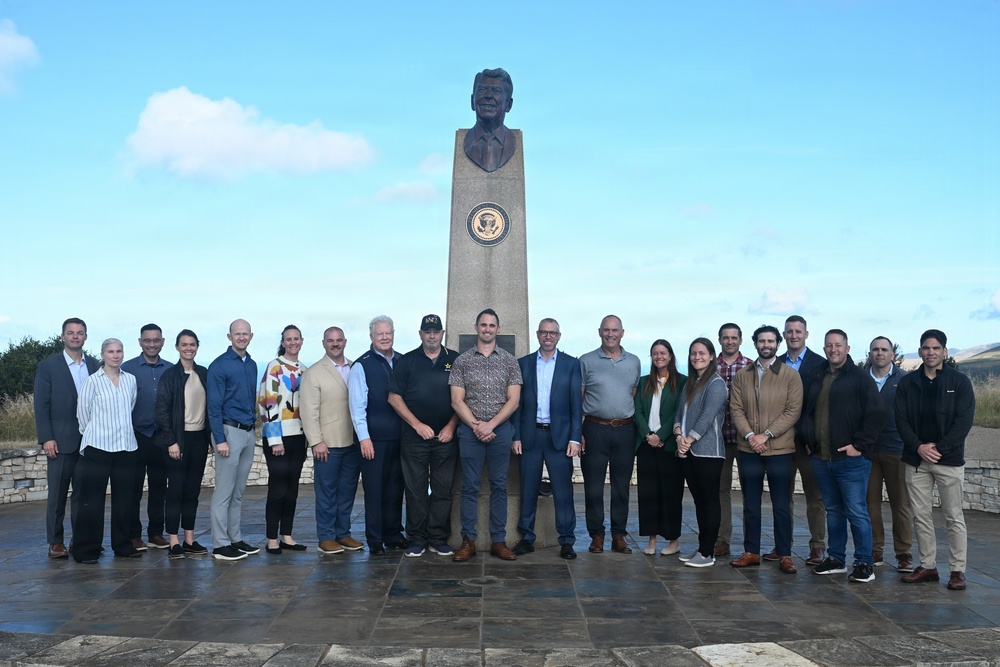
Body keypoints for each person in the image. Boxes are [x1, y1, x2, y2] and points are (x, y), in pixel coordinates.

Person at [799, 329, 885, 583]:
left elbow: (877, 414)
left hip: (851, 460)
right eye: (829, 345)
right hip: (821, 457)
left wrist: (859, 445)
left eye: (838, 345)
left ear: (847, 348)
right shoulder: (816, 375)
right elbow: (806, 411)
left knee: (856, 511)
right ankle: (836, 558)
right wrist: (807, 440)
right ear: (824, 348)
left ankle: (864, 563)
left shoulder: (859, 377)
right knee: (834, 511)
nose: (833, 349)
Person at [898, 329, 975, 591]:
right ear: (920, 351)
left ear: (944, 351)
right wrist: (919, 447)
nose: (931, 352)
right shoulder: (908, 383)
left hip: (949, 460)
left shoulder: (960, 382)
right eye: (926, 348)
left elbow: (963, 422)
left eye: (936, 348)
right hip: (916, 459)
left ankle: (957, 570)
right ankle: (928, 566)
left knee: (953, 516)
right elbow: (901, 420)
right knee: (921, 515)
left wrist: (939, 448)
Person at [449, 308, 523, 561]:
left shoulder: (509, 361)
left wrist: (491, 425)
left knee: (499, 486)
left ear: (498, 329)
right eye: (483, 325)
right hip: (470, 433)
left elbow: (513, 400)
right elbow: (457, 401)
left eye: (492, 325)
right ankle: (468, 540)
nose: (487, 329)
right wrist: (477, 426)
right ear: (476, 327)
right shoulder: (463, 361)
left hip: (500, 432)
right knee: (469, 487)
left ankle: (498, 541)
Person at [728, 326, 803, 575]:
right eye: (762, 341)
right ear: (755, 344)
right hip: (748, 449)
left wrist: (766, 435)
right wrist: (751, 436)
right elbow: (736, 409)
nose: (766, 344)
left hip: (780, 450)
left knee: (781, 505)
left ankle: (784, 554)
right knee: (751, 503)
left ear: (778, 344)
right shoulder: (742, 375)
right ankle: (751, 552)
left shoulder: (791, 376)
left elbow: (792, 411)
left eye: (771, 340)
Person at [387, 315, 460, 558]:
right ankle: (416, 539)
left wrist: (451, 426)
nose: (432, 335)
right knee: (416, 490)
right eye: (427, 331)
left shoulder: (455, 360)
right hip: (414, 438)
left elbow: (463, 399)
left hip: (446, 438)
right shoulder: (407, 361)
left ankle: (438, 538)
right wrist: (417, 425)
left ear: (442, 333)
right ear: (420, 334)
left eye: (436, 331)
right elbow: (394, 398)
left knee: (442, 490)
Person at [511, 318, 583, 560]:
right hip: (531, 436)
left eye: (553, 333)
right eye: (544, 332)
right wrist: (517, 436)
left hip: (559, 437)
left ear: (559, 336)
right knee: (528, 489)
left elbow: (576, 404)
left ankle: (566, 540)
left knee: (563, 491)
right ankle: (527, 538)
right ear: (538, 334)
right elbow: (518, 405)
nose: (548, 337)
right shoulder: (524, 364)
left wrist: (575, 438)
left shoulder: (571, 365)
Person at [34, 317, 100, 559]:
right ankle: (55, 542)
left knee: (84, 496)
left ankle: (80, 541)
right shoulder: (48, 366)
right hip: (60, 442)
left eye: (79, 332)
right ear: (62, 336)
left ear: (85, 336)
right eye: (70, 333)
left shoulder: (95, 365)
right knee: (58, 495)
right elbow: (41, 405)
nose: (75, 336)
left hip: (90, 442)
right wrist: (47, 438)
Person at [72, 339, 140, 563]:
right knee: (92, 501)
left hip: (125, 447)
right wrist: (96, 433)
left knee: (125, 500)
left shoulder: (130, 380)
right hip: (98, 447)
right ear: (103, 354)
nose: (116, 355)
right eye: (111, 351)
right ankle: (87, 549)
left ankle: (122, 545)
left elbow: (129, 407)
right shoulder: (92, 382)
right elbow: (83, 415)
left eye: (119, 350)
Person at [580, 315, 642, 555]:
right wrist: (578, 431)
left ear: (622, 333)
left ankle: (619, 535)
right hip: (595, 428)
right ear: (599, 332)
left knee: (621, 486)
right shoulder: (586, 361)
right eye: (606, 330)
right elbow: (579, 397)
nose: (610, 334)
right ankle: (596, 535)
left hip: (625, 429)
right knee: (593, 486)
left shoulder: (634, 361)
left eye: (614, 330)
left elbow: (633, 394)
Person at [300, 327, 364, 555]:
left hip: (353, 441)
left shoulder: (356, 367)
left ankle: (343, 533)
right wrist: (316, 441)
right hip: (328, 443)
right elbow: (308, 411)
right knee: (327, 492)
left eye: (339, 340)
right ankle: (326, 536)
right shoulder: (314, 372)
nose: (335, 344)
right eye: (330, 341)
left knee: (347, 491)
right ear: (323, 343)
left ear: (345, 342)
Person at [349, 316, 406, 555]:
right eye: (379, 334)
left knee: (395, 489)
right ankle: (374, 538)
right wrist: (364, 438)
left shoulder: (404, 361)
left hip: (401, 438)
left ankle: (393, 533)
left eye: (388, 333)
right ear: (371, 336)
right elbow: (356, 406)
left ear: (394, 334)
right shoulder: (361, 365)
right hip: (374, 440)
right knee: (374, 491)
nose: (384, 337)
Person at [773, 315, 827, 566]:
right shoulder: (775, 363)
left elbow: (822, 405)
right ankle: (782, 545)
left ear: (806, 334)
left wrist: (814, 437)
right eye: (789, 331)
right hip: (780, 441)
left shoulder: (820, 364)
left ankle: (817, 546)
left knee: (814, 496)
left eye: (798, 331)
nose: (794, 335)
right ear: (784, 335)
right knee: (781, 497)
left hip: (809, 443)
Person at [672, 338, 729, 568]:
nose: (697, 357)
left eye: (702, 353)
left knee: (710, 502)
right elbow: (679, 414)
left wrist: (689, 439)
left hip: (708, 453)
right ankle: (701, 547)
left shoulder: (716, 383)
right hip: (687, 451)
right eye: (693, 353)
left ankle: (707, 553)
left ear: (712, 356)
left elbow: (707, 416)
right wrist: (678, 436)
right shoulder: (689, 383)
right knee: (699, 503)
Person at [155, 329, 212, 559]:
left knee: (192, 492)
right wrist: (172, 442)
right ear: (177, 347)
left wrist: (208, 439)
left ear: (197, 346)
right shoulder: (170, 376)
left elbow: (210, 408)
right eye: (184, 344)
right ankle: (174, 541)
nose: (189, 348)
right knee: (175, 491)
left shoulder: (203, 374)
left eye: (192, 344)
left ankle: (189, 539)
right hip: (178, 440)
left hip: (199, 439)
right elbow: (161, 412)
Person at [206, 319, 259, 561]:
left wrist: (253, 432)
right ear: (229, 337)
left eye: (245, 334)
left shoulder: (252, 364)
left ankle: (234, 539)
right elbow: (214, 406)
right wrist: (220, 439)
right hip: (228, 433)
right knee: (224, 492)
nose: (241, 337)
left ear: (251, 336)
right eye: (237, 334)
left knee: (238, 493)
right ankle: (220, 544)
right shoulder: (219, 366)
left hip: (248, 432)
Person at [258, 325, 309, 554]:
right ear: (283, 342)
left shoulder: (305, 369)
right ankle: (271, 539)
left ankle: (287, 535)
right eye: (288, 339)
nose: (292, 342)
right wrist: (274, 438)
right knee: (277, 489)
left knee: (292, 489)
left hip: (299, 436)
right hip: (279, 437)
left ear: (302, 341)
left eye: (296, 338)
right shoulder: (275, 367)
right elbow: (268, 402)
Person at [122, 323, 173, 551]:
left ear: (162, 342)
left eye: (156, 340)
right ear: (140, 342)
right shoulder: (127, 369)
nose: (151, 344)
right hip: (135, 436)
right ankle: (133, 535)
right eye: (147, 340)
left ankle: (156, 533)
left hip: (161, 437)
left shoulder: (171, 370)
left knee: (159, 488)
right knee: (132, 490)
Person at [865, 336, 913, 573]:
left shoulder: (905, 380)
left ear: (893, 354)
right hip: (867, 452)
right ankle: (875, 551)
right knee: (870, 505)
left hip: (897, 450)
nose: (880, 353)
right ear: (870, 353)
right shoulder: (860, 379)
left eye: (884, 349)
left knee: (900, 505)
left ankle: (903, 553)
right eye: (875, 349)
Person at [633, 339, 686, 557]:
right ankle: (651, 539)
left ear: (671, 356)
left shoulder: (682, 382)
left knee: (671, 493)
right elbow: (637, 411)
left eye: (663, 353)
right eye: (655, 353)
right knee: (648, 493)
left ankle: (673, 540)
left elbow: (679, 413)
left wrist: (662, 435)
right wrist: (648, 435)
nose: (659, 356)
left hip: (669, 445)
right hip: (646, 445)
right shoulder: (644, 381)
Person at [714, 323, 752, 557]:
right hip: (718, 438)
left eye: (734, 337)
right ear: (719, 340)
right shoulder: (711, 365)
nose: (730, 341)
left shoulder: (749, 366)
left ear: (740, 340)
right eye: (726, 337)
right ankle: (722, 540)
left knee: (750, 490)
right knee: (721, 490)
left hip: (744, 437)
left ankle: (752, 543)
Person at [463, 68, 516, 173]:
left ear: (508, 105)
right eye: (482, 90)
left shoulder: (512, 141)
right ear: (472, 101)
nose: (488, 96)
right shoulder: (466, 140)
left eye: (496, 91)